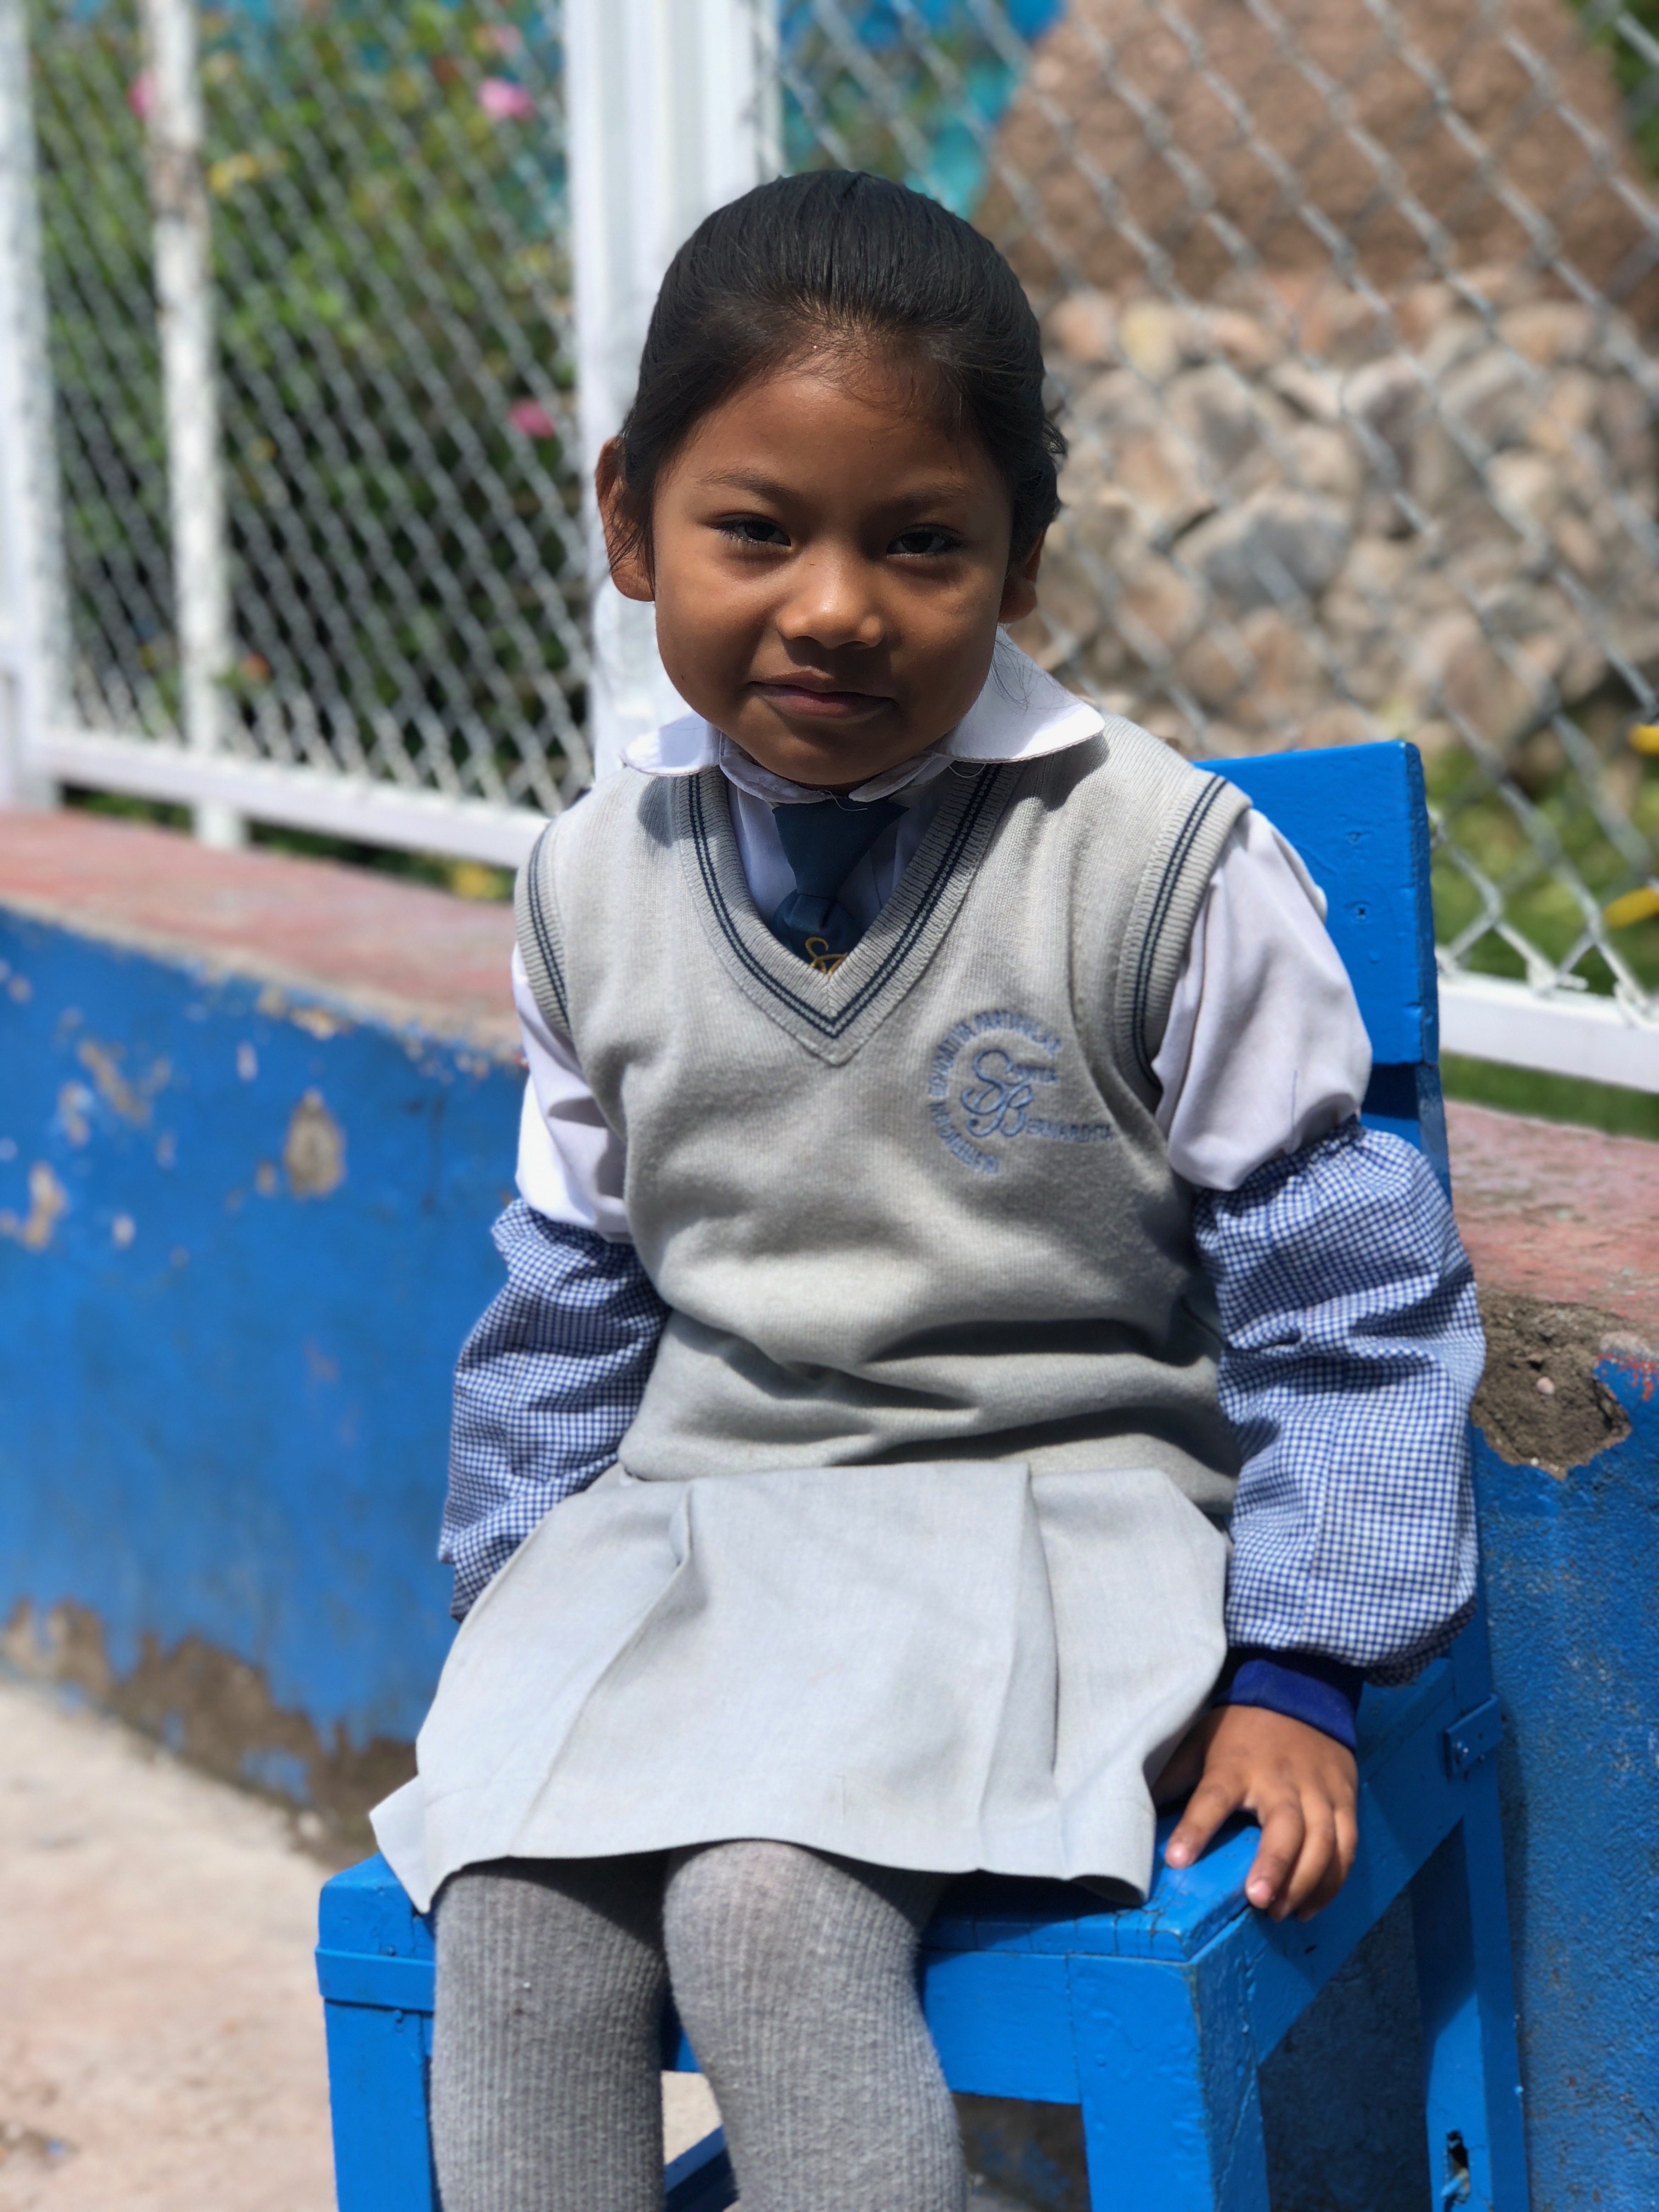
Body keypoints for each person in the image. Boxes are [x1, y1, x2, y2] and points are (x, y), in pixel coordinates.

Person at [371, 170, 1481, 2212]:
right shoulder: (588, 885)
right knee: (515, 1912)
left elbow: (1343, 1302)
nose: (833, 606)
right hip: (705, 1537)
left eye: (920, 542)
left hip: (1055, 1527)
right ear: (630, 520)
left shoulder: (1162, 868)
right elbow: (572, 1290)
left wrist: (1304, 1669)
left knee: (768, 1907)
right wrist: (526, 1625)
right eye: (755, 530)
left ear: (1019, 561)